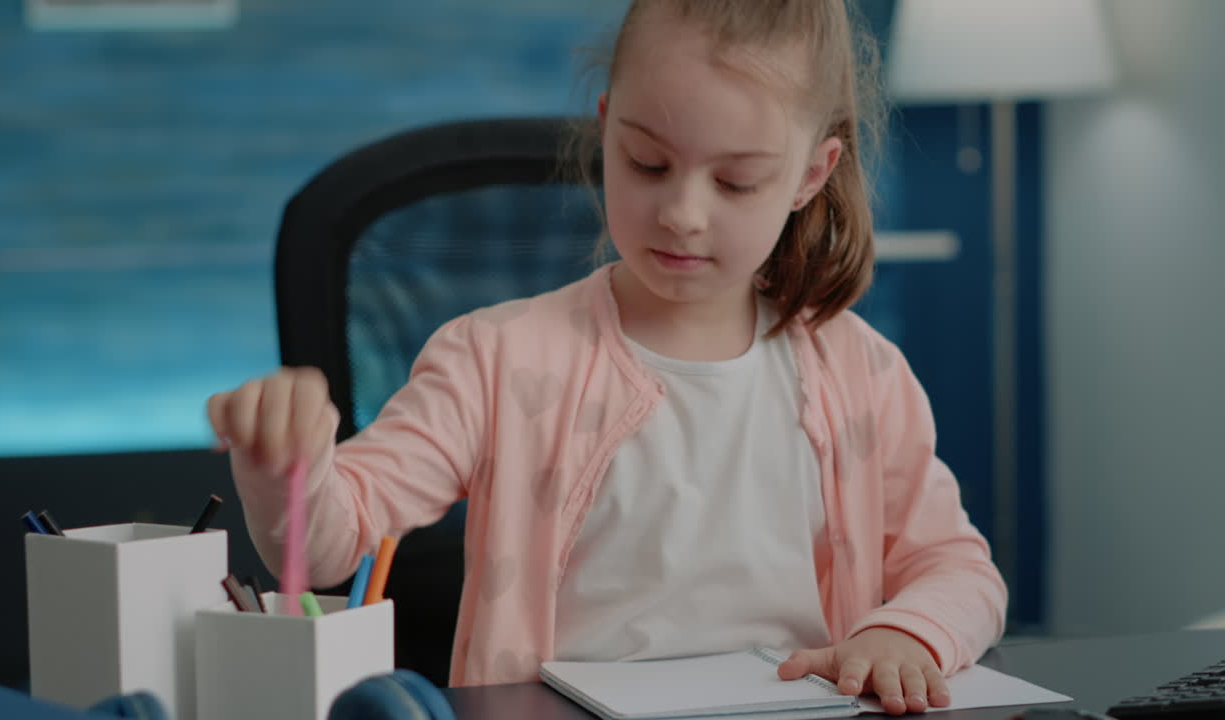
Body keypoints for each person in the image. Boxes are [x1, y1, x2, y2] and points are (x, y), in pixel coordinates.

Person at [207, 0, 1007, 714]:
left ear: (809, 175)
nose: (683, 214)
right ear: (605, 127)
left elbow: (960, 569)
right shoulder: (497, 359)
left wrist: (910, 635)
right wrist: (288, 466)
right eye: (648, 164)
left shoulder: (863, 377)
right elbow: (318, 553)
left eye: (736, 183)